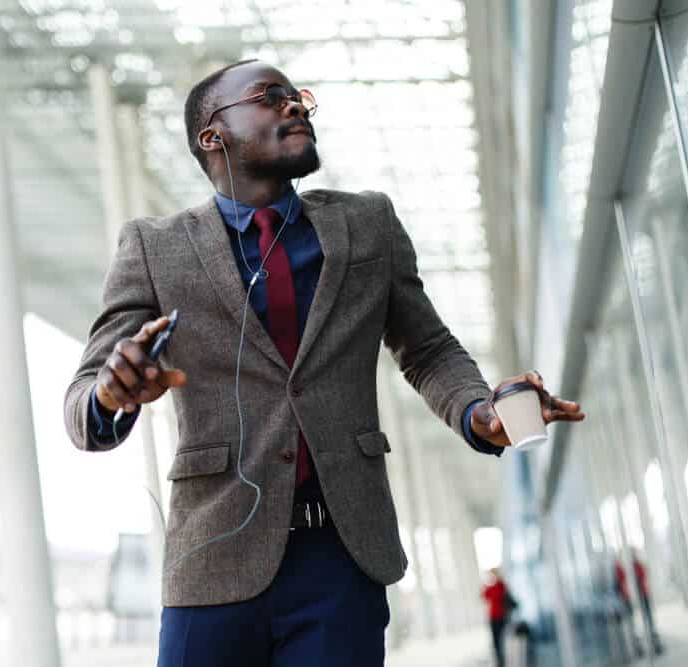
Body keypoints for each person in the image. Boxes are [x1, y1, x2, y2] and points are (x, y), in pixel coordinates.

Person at [63, 59, 586, 666]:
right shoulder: (155, 247)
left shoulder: (367, 224)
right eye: (269, 97)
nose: (295, 106)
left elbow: (429, 348)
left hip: (342, 558)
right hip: (212, 561)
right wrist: (110, 395)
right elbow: (82, 400)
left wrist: (477, 411)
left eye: (298, 96)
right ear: (213, 136)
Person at [482, 568, 516, 667]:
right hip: (493, 617)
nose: (492, 577)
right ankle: (499, 660)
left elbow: (503, 596)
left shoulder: (501, 585)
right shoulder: (491, 587)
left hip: (501, 616)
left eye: (493, 575)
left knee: (502, 638)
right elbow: (484, 596)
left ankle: (504, 658)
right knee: (495, 640)